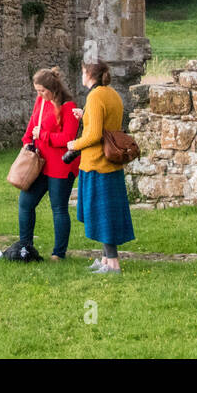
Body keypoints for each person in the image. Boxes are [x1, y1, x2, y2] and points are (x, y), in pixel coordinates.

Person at [64, 60, 134, 273]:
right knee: (108, 211)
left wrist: (73, 144)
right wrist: (84, 115)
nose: (81, 76)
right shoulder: (111, 94)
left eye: (83, 72)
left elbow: (94, 135)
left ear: (89, 75)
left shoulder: (94, 97)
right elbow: (108, 125)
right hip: (111, 163)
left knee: (102, 213)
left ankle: (112, 263)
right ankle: (105, 259)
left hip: (96, 163)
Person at [16, 67, 80, 261]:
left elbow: (68, 138)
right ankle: (25, 247)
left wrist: (43, 135)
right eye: (37, 91)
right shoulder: (40, 102)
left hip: (61, 165)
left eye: (42, 91)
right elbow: (32, 124)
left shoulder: (68, 107)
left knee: (58, 208)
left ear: (53, 88)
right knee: (25, 203)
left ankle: (58, 253)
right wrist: (27, 141)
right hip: (40, 163)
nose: (40, 94)